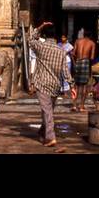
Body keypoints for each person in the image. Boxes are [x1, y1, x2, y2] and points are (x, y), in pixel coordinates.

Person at [28, 21, 71, 150]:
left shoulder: (41, 47)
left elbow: (30, 39)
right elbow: (65, 71)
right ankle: (43, 131)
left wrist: (40, 27)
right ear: (56, 37)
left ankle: (50, 137)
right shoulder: (62, 51)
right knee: (48, 110)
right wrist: (71, 85)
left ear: (44, 36)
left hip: (42, 84)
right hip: (55, 85)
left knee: (47, 111)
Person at [72, 28, 96, 111]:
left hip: (78, 61)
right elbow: (92, 57)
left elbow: (73, 53)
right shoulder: (92, 43)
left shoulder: (77, 41)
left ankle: (74, 105)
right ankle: (81, 105)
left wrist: (74, 63)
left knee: (76, 85)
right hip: (85, 62)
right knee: (84, 85)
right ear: (91, 36)